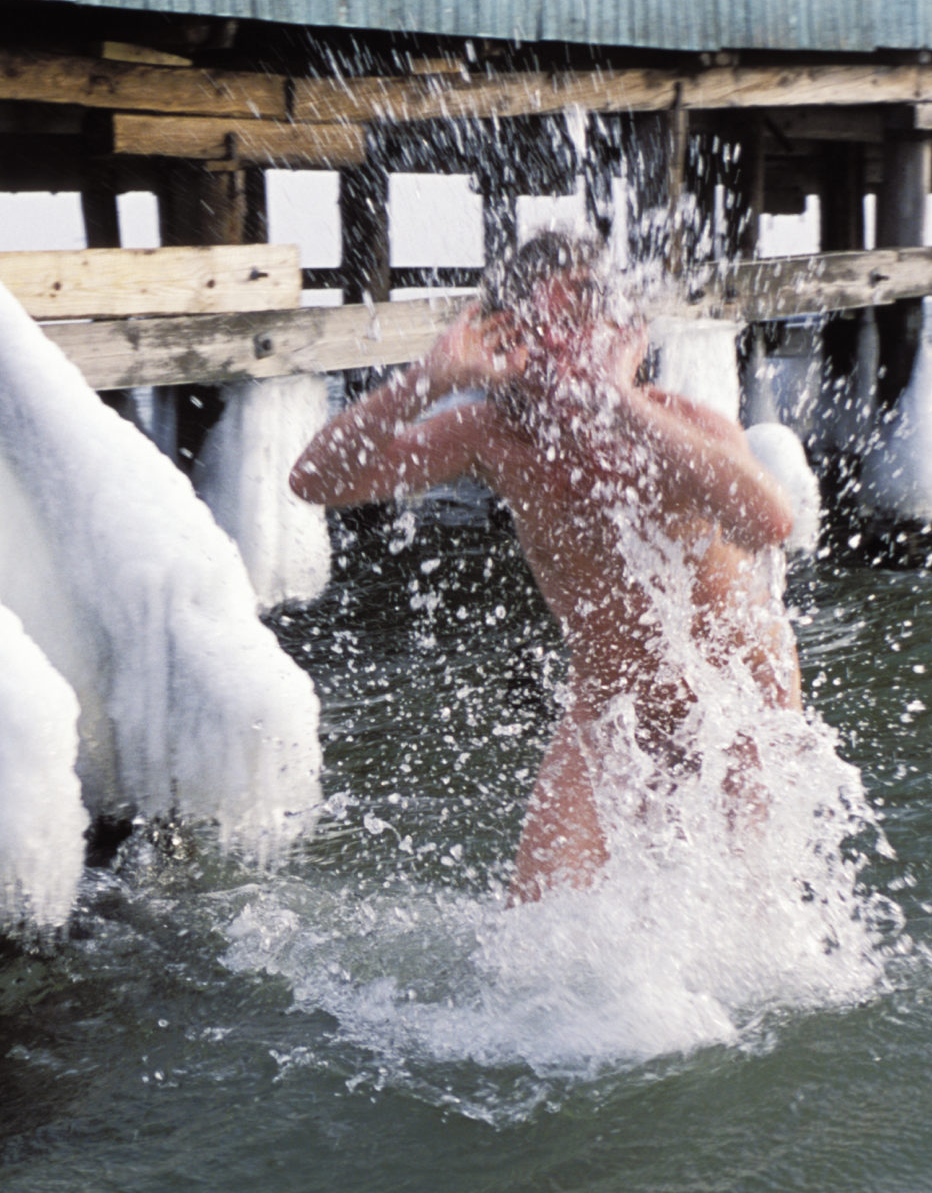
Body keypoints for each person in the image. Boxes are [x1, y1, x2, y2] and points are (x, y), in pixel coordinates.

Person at [288, 234, 801, 904]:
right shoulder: (494, 436)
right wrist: (429, 382)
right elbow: (317, 479)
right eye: (543, 326)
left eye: (582, 321)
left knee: (743, 921)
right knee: (533, 919)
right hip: (610, 707)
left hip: (734, 700)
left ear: (626, 337)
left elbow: (769, 521)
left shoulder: (680, 425)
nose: (563, 346)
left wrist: (623, 406)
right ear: (506, 338)